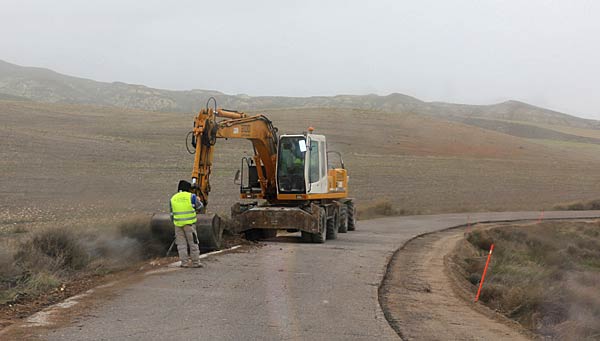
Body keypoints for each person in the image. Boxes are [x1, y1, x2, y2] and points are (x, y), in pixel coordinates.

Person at [170, 180, 203, 268]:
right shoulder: (191, 196)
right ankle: (196, 263)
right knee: (193, 243)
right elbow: (200, 207)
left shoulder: (173, 198)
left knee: (181, 245)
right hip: (189, 225)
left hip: (178, 225)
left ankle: (184, 263)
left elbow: (171, 214)